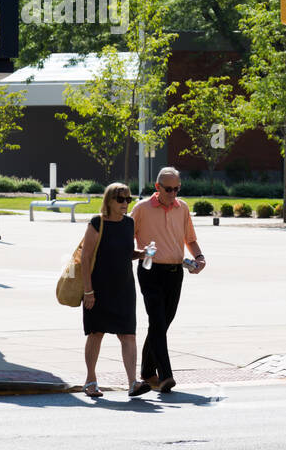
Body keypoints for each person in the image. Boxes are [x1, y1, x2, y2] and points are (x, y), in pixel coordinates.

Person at [131, 166, 206, 394]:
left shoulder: (182, 208)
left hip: (175, 273)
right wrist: (139, 252)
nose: (173, 193)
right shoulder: (141, 209)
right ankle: (165, 376)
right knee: (157, 321)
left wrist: (199, 258)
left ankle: (146, 370)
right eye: (169, 189)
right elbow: (126, 238)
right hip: (150, 271)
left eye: (177, 189)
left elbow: (190, 239)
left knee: (161, 323)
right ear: (157, 187)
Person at [81, 182, 148, 398]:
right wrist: (88, 291)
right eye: (120, 199)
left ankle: (133, 383)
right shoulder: (97, 223)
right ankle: (90, 380)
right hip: (99, 288)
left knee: (128, 334)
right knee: (96, 333)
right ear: (109, 200)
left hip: (124, 288)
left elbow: (125, 253)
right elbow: (86, 258)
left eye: (128, 199)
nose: (125, 203)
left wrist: (141, 253)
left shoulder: (129, 223)